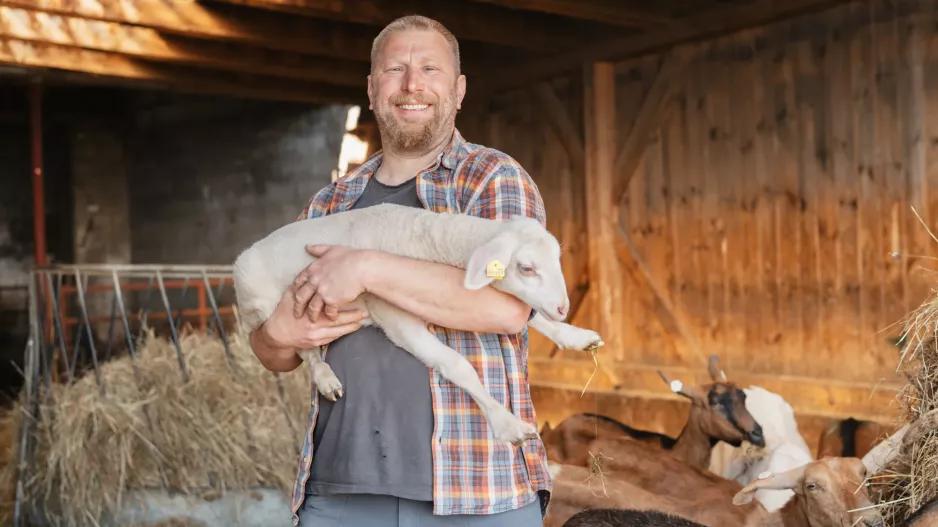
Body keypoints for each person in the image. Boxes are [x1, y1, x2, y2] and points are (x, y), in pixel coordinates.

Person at [248, 14, 552, 527]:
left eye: (430, 69)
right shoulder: (330, 202)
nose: (412, 84)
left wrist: (366, 267)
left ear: (458, 91)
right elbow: (275, 354)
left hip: (478, 489)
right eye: (395, 69)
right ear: (371, 89)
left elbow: (505, 309)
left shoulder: (491, 180)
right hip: (340, 493)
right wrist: (275, 335)